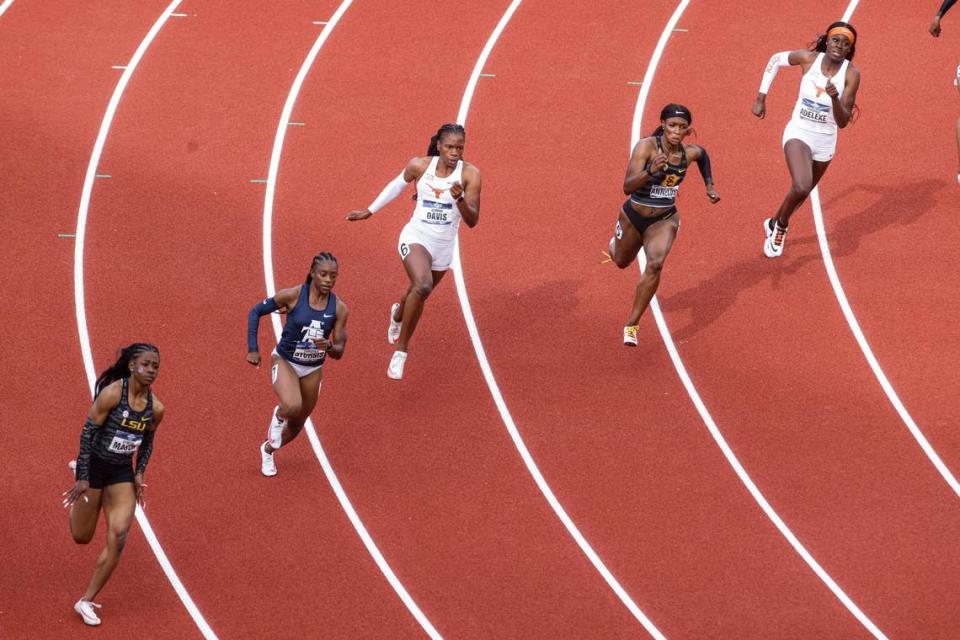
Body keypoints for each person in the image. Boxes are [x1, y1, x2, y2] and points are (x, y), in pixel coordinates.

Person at [346, 123, 481, 380]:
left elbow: (473, 220)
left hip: (444, 247)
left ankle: (398, 312)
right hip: (416, 236)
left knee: (417, 292)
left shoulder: (470, 175)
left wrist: (459, 199)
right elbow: (396, 185)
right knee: (422, 286)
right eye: (450, 147)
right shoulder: (420, 165)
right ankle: (401, 351)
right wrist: (370, 210)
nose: (454, 153)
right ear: (439, 146)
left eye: (459, 148)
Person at [62, 343, 164, 626]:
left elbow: (147, 442)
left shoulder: (155, 408)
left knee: (119, 535)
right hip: (94, 466)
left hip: (121, 472)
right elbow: (87, 434)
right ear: (132, 366)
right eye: (146, 364)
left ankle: (86, 600)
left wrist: (140, 472)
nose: (151, 370)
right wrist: (83, 475)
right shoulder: (111, 395)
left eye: (156, 366)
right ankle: (78, 476)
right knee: (81, 536)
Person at [607, 103, 720, 346]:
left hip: (664, 219)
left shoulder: (688, 153)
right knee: (621, 262)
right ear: (663, 125)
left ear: (688, 130)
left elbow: (703, 155)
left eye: (682, 127)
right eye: (672, 126)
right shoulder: (645, 147)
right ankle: (616, 245)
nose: (677, 131)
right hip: (633, 215)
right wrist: (649, 170)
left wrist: (709, 185)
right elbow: (627, 187)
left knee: (656, 264)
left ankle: (632, 325)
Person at [752, 21, 861, 258]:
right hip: (799, 132)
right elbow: (775, 60)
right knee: (801, 185)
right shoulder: (808, 59)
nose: (839, 46)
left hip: (826, 140)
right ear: (827, 40)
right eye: (835, 40)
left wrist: (834, 98)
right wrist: (761, 96)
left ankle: (773, 222)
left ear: (849, 50)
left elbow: (843, 122)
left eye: (845, 44)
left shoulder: (851, 74)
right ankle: (781, 226)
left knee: (803, 191)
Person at [247, 252, 348, 476]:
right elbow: (255, 311)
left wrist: (329, 347)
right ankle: (279, 415)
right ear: (312, 274)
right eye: (323, 274)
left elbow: (340, 351)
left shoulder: (339, 309)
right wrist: (253, 348)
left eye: (333, 276)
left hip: (312, 369)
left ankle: (267, 450)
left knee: (298, 423)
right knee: (291, 406)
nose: (328, 280)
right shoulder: (294, 295)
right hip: (286, 361)